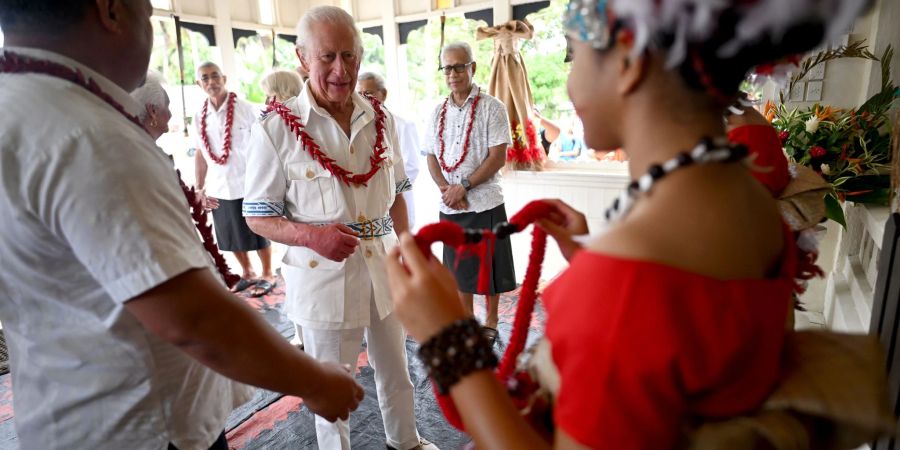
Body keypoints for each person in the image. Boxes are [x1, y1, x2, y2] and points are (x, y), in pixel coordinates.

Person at [385, 0, 870, 448]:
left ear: (627, 62)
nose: (570, 81)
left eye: (574, 57)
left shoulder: (628, 278)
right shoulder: (739, 193)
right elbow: (681, 322)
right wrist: (589, 252)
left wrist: (446, 337)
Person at [0, 1, 363, 449]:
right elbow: (192, 315)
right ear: (111, 11)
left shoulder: (19, 107)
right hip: (142, 427)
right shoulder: (86, 134)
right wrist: (316, 381)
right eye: (149, 13)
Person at [242, 6, 436, 450]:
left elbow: (398, 194)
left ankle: (406, 441)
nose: (339, 69)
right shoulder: (277, 130)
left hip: (383, 269)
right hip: (323, 278)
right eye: (326, 56)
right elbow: (257, 214)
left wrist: (408, 251)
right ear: (302, 58)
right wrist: (312, 235)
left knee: (398, 371)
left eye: (349, 56)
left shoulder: (381, 119)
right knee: (330, 389)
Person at [424, 41, 516, 345]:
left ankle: (490, 320)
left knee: (490, 268)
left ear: (472, 68)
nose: (453, 73)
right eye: (447, 67)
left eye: (459, 66)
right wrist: (446, 190)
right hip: (451, 206)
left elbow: (497, 156)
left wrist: (463, 186)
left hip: (485, 202)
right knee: (458, 268)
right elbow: (430, 156)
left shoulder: (492, 107)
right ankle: (466, 319)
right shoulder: (437, 111)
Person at [194, 61, 275, 297]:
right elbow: (200, 153)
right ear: (199, 83)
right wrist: (199, 187)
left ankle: (268, 273)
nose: (211, 82)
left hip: (250, 182)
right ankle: (248, 272)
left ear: (224, 78)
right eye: (205, 78)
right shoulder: (199, 116)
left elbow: (265, 145)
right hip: (220, 184)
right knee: (229, 232)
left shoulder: (247, 108)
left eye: (215, 76)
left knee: (259, 230)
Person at [357, 71, 421, 229]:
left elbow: (412, 167)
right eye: (359, 94)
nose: (363, 98)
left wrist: (383, 189)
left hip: (398, 201)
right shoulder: (358, 128)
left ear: (383, 93)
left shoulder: (403, 125)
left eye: (368, 93)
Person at [131, 71, 171, 140]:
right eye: (167, 106)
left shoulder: (134, 140)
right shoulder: (143, 147)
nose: (170, 114)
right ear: (153, 111)